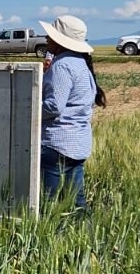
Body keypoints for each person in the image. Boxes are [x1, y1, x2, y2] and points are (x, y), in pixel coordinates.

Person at [38, 14, 105, 209]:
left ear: (60, 40)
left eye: (50, 36)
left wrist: (29, 109)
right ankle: (86, 237)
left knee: (50, 203)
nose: (46, 38)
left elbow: (54, 106)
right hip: (78, 144)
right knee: (76, 202)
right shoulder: (80, 63)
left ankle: (52, 237)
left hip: (56, 143)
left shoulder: (62, 65)